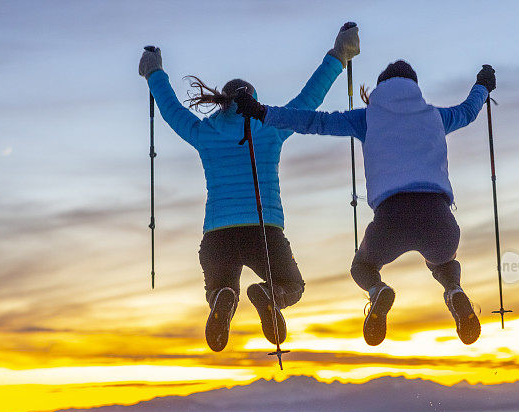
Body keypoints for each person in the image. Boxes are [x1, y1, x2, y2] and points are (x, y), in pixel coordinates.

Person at [233, 61, 495, 346]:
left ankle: (377, 289)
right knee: (443, 261)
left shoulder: (368, 118)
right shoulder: (436, 117)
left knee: (363, 267)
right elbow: (469, 111)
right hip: (440, 220)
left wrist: (262, 112)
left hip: (390, 220)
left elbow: (314, 121)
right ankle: (454, 291)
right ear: (415, 88)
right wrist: (483, 84)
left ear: (380, 88)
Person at [138, 23, 360, 352]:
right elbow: (310, 98)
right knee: (291, 286)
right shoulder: (272, 126)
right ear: (254, 100)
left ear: (221, 102)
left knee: (219, 287)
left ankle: (223, 297)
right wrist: (339, 54)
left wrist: (154, 72)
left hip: (218, 234)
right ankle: (270, 295)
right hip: (264, 230)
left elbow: (171, 110)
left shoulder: (205, 132)